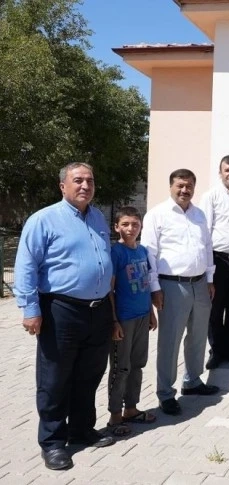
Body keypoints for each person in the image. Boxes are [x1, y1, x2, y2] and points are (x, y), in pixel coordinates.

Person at [14, 162, 115, 470]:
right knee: (55, 378)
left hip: (98, 310)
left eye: (90, 180)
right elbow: (26, 266)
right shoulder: (43, 220)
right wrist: (30, 309)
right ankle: (53, 442)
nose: (85, 186)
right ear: (63, 186)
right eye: (78, 180)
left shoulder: (98, 217)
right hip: (61, 310)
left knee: (89, 374)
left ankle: (81, 429)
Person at [142, 169, 218, 416]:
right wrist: (154, 288)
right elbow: (149, 253)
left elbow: (207, 247)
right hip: (171, 286)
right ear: (171, 186)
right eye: (180, 186)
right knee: (170, 341)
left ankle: (192, 381)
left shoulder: (199, 215)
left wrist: (209, 279)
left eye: (189, 186)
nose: (185, 190)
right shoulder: (157, 215)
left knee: (198, 336)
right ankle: (165, 393)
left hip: (200, 284)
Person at [106, 207, 158, 438]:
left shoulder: (143, 251)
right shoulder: (116, 252)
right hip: (124, 319)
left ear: (141, 227)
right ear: (117, 227)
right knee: (121, 367)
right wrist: (114, 320)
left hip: (142, 316)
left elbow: (145, 284)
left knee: (137, 365)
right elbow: (109, 289)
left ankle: (131, 408)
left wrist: (151, 312)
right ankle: (115, 416)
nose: (130, 228)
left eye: (135, 224)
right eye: (125, 224)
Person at [199, 155, 229, 370]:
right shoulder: (211, 196)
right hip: (217, 260)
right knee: (215, 309)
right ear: (220, 173)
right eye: (227, 170)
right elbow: (204, 233)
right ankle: (216, 350)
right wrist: (208, 270)